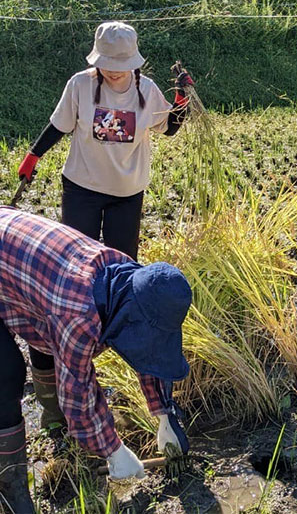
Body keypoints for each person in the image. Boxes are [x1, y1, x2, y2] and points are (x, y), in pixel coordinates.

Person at [15, 21, 194, 438]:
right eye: (108, 66)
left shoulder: (146, 90)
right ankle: (74, 339)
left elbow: (170, 127)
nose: (114, 73)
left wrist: (183, 98)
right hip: (81, 187)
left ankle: (119, 346)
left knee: (123, 274)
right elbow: (59, 125)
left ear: (133, 61)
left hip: (127, 193)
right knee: (73, 271)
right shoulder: (79, 85)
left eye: (121, 66)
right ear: (97, 60)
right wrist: (32, 156)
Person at [0, 206, 192, 512]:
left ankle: (56, 427)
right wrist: (113, 450)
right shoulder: (77, 311)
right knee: (6, 375)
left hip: (24, 262)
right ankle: (11, 491)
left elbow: (149, 351)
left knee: (48, 338)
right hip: (11, 254)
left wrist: (164, 415)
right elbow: (77, 390)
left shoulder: (132, 278)